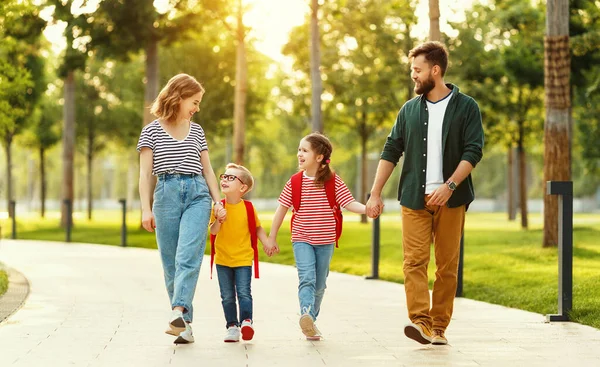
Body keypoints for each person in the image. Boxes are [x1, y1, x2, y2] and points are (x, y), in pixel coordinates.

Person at [366, 41, 484, 346]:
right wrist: (375, 193)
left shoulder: (466, 106)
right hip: (414, 199)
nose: (413, 76)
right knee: (414, 262)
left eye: (417, 71)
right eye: (411, 71)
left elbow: (474, 150)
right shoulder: (408, 110)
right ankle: (421, 322)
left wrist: (450, 186)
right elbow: (391, 150)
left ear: (435, 70)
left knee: (447, 266)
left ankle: (439, 327)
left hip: (452, 198)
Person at [137, 73, 225, 345]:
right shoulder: (151, 130)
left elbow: (208, 170)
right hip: (166, 195)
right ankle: (185, 326)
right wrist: (145, 209)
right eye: (194, 102)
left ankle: (178, 312)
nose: (197, 108)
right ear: (179, 96)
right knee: (171, 263)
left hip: (198, 194)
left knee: (188, 256)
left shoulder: (196, 130)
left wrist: (218, 201)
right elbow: (144, 174)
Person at [268, 132, 366, 341]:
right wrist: (272, 237)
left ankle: (310, 320)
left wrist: (368, 209)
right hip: (301, 239)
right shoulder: (294, 182)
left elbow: (350, 203)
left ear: (319, 157)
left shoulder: (333, 182)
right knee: (307, 279)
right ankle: (305, 313)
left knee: (320, 284)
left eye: (304, 150)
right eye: (299, 150)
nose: (299, 154)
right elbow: (281, 210)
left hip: (326, 242)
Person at [209, 163, 272, 343]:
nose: (225, 180)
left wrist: (267, 242)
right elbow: (213, 231)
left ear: (242, 187)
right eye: (224, 176)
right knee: (227, 296)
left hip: (243, 258)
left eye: (231, 178)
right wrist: (219, 220)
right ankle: (232, 327)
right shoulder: (218, 206)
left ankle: (246, 321)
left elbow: (257, 228)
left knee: (244, 292)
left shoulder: (249, 208)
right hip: (223, 259)